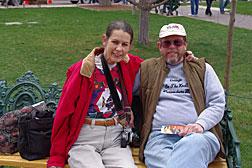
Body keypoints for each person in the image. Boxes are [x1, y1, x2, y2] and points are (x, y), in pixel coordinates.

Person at [46, 20, 143, 168]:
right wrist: (56, 158)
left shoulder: (128, 64)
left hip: (116, 140)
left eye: (124, 44)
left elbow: (159, 64)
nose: (119, 49)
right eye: (114, 42)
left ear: (130, 46)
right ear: (104, 40)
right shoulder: (82, 70)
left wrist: (188, 59)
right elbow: (63, 114)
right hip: (85, 140)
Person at [134, 23, 226, 167]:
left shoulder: (202, 69)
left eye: (177, 42)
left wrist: (200, 125)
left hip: (199, 136)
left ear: (185, 45)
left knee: (193, 145)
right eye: (167, 43)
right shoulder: (147, 69)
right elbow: (124, 88)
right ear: (159, 46)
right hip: (160, 138)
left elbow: (217, 103)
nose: (172, 46)